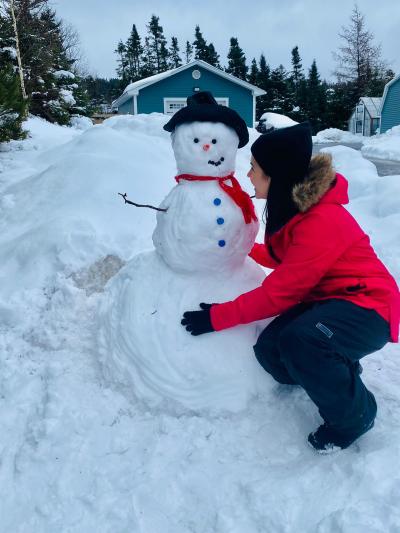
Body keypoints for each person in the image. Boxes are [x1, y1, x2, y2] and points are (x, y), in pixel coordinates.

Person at [181, 122, 400, 453]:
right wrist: (237, 248)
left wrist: (217, 317)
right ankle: (337, 369)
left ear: (275, 177)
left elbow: (278, 293)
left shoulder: (322, 221)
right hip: (331, 301)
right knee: (272, 350)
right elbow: (281, 256)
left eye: (254, 169)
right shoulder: (298, 210)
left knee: (302, 342)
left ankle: (355, 416)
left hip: (369, 308)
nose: (249, 176)